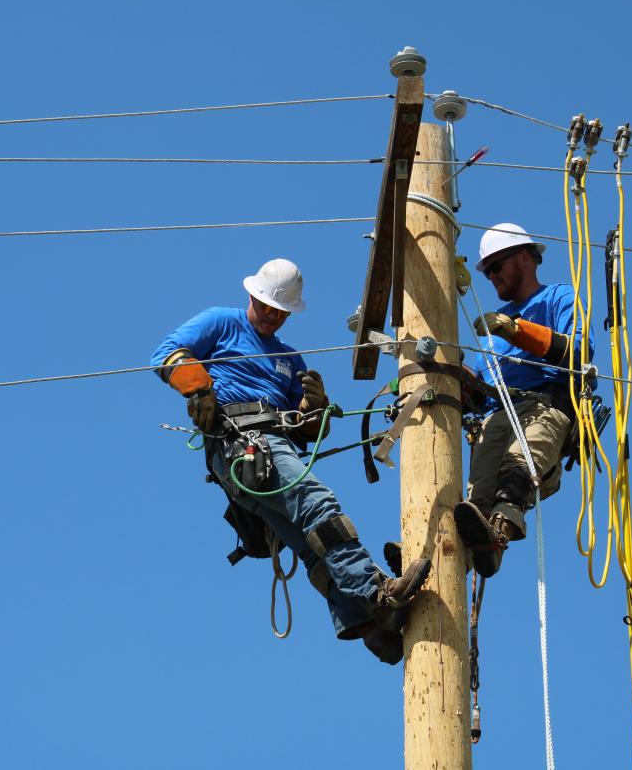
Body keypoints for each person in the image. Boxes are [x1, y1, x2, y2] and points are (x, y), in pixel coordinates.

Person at [151, 257, 431, 663]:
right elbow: (167, 352)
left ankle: (369, 625)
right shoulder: (223, 322)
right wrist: (198, 390)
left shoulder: (290, 359)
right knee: (316, 502)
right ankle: (373, 590)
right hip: (241, 441)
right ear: (252, 295)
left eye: (280, 311)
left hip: (270, 446)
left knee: (308, 540)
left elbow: (307, 432)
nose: (272, 316)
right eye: (266, 307)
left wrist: (314, 409)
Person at [454, 223, 593, 578]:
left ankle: (499, 535)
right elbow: (480, 395)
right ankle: (442, 567)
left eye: (496, 268)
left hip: (544, 406)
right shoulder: (490, 337)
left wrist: (517, 330)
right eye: (486, 274)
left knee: (517, 469)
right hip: (496, 416)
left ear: (524, 258)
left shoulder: (557, 297)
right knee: (474, 503)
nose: (492, 278)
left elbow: (579, 351)